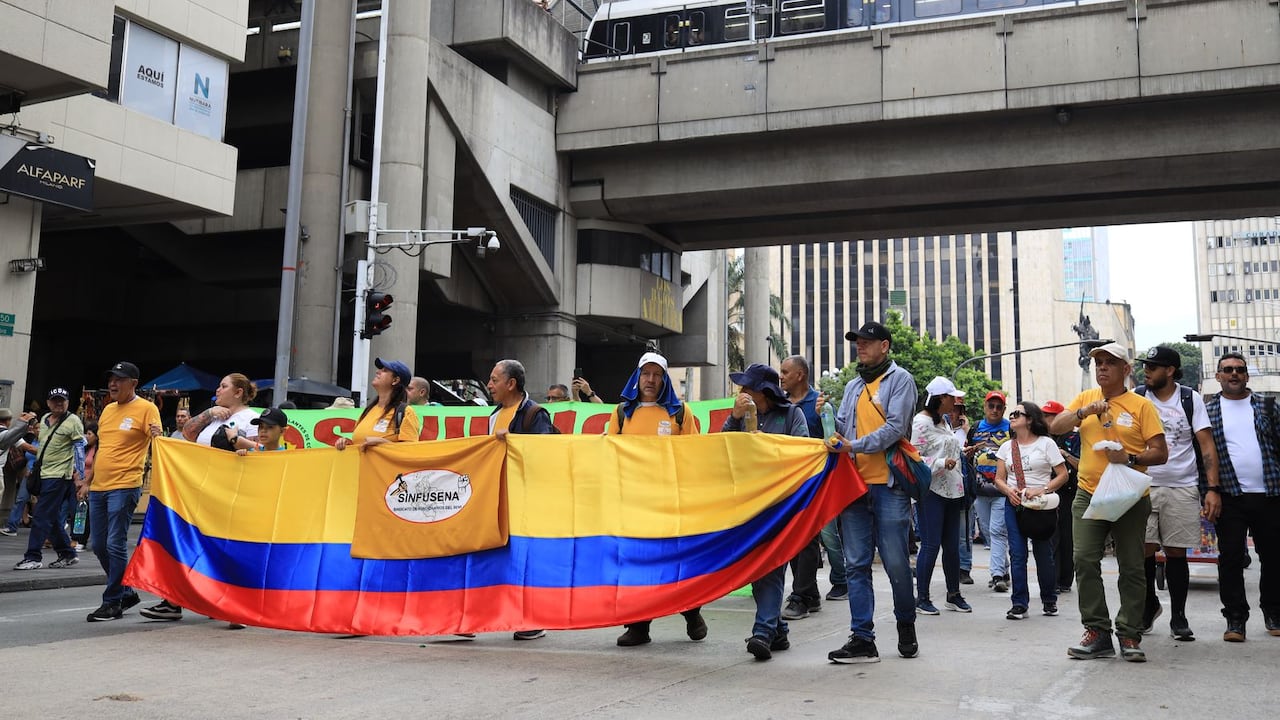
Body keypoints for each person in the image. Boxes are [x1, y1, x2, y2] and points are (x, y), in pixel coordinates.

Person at [1050, 342, 1167, 662]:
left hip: (1130, 495)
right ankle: (1098, 631)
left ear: (1126, 370)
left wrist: (1128, 457)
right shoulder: (1086, 398)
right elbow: (1055, 426)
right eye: (1098, 362)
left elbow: (1160, 452)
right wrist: (1082, 413)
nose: (1101, 367)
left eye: (1109, 363)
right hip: (1088, 493)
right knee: (1085, 560)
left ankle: (1129, 633)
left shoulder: (1141, 405)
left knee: (1131, 566)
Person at [824, 320, 919, 664]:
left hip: (889, 487)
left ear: (885, 346)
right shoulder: (852, 386)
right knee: (856, 565)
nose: (860, 346)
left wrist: (854, 446)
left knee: (895, 563)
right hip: (854, 487)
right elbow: (843, 429)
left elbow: (895, 428)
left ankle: (906, 623)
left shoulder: (900, 380)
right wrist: (827, 418)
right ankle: (862, 637)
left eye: (867, 341)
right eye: (857, 342)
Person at [143, 373, 262, 621]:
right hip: (201, 491)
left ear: (238, 392)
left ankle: (231, 602)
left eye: (224, 386)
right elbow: (187, 433)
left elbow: (258, 453)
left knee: (224, 549)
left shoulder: (251, 418)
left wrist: (234, 441)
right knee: (189, 543)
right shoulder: (214, 416)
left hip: (229, 492)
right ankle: (173, 599)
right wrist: (210, 413)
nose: (218, 390)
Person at [609, 351, 705, 647]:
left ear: (665, 379)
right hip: (634, 503)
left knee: (676, 562)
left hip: (670, 502)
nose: (651, 380)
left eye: (657, 374)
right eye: (646, 373)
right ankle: (638, 626)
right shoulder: (622, 413)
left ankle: (691, 611)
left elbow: (695, 457)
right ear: (637, 378)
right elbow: (607, 453)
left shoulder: (680, 413)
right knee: (635, 563)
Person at [723, 363, 810, 660]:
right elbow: (722, 447)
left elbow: (801, 452)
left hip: (779, 504)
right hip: (748, 504)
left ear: (762, 392)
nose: (741, 392)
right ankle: (778, 630)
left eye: (747, 388)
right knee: (756, 567)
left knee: (771, 566)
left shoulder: (791, 415)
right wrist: (735, 419)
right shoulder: (739, 415)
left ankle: (762, 631)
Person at [1135, 346, 1220, 641]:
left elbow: (1206, 445)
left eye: (1153, 366)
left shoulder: (1189, 398)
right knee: (1144, 548)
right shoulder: (1137, 397)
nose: (1147, 370)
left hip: (1182, 485)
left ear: (1170, 370)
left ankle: (1178, 617)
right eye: (1146, 365)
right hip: (1143, 485)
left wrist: (1212, 488)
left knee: (1175, 553)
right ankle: (1148, 606)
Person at [1203, 352, 1279, 642]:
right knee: (1231, 558)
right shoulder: (1208, 412)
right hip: (1230, 496)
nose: (1233, 374)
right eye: (1227, 370)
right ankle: (1235, 618)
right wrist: (1209, 492)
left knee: (1273, 558)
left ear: (1247, 376)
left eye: (1239, 370)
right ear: (1218, 376)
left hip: (1270, 494)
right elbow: (1203, 458)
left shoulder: (1268, 406)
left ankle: (1273, 611)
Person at [81, 362, 163, 622]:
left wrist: (157, 435)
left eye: (120, 380)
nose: (113, 384)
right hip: (99, 486)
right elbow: (102, 449)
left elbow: (159, 442)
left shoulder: (147, 409)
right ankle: (126, 591)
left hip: (125, 485)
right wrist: (87, 481)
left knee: (114, 544)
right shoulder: (106, 410)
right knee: (98, 545)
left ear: (134, 384)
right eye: (111, 380)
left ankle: (112, 601)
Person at [487, 358, 555, 642]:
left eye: (494, 379)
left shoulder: (534, 413)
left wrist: (512, 440)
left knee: (526, 558)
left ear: (511, 384)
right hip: (498, 496)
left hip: (526, 499)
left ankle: (533, 618)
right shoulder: (492, 415)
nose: (489, 385)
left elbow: (544, 452)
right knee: (499, 557)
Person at [777, 354, 841, 619]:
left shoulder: (820, 403)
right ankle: (811, 594)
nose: (780, 376)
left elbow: (834, 439)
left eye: (785, 372)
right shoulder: (779, 404)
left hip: (814, 482)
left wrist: (824, 418)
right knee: (794, 537)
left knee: (807, 538)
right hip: (785, 482)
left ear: (800, 375)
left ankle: (801, 596)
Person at [994, 401, 1068, 620]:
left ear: (1030, 419)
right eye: (1012, 413)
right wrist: (1009, 491)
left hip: (1040, 505)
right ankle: (1019, 603)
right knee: (1017, 554)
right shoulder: (1007, 447)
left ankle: (1049, 599)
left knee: (1043, 553)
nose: (1013, 416)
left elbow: (1063, 475)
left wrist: (1042, 489)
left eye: (1018, 413)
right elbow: (999, 478)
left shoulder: (1046, 444)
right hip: (1015, 504)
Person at [911, 377, 972, 616]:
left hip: (952, 489)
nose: (956, 402)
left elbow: (945, 448)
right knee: (930, 544)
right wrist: (939, 463)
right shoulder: (920, 422)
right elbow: (914, 457)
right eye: (952, 397)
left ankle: (953, 594)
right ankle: (922, 598)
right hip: (931, 491)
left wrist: (960, 451)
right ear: (941, 399)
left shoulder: (944, 421)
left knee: (952, 546)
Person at [14, 388, 87, 571]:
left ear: (68, 402)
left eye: (62, 400)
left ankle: (33, 556)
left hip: (59, 476)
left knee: (40, 515)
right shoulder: (45, 419)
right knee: (51, 516)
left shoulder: (73, 421)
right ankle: (67, 553)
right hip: (43, 473)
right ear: (48, 403)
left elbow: (79, 448)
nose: (58, 403)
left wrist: (80, 476)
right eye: (55, 400)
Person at [966, 390, 1011, 593]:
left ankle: (997, 575)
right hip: (980, 490)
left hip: (1003, 490)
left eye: (998, 406)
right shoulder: (975, 428)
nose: (994, 410)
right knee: (988, 532)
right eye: (991, 406)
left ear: (1003, 409)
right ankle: (1004, 568)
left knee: (997, 531)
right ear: (985, 407)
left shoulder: (1011, 428)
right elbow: (966, 455)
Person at [335, 358, 422, 451]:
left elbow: (410, 451)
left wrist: (382, 442)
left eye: (384, 371)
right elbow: (361, 446)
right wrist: (347, 444)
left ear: (395, 380)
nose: (377, 372)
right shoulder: (368, 411)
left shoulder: (406, 412)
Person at [1041, 400, 1081, 595]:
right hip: (1049, 492)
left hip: (1070, 493)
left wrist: (1064, 454)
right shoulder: (1044, 439)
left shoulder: (1075, 437)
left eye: (1049, 416)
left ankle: (1065, 579)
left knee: (1067, 537)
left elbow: (1082, 464)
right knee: (1051, 536)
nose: (1046, 420)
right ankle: (1053, 578)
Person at [950, 400, 975, 586]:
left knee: (964, 531)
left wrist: (967, 431)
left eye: (955, 411)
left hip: (963, 487)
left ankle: (964, 568)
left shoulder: (967, 433)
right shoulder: (939, 429)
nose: (951, 414)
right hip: (942, 485)